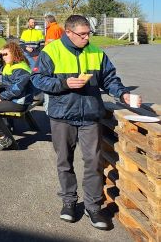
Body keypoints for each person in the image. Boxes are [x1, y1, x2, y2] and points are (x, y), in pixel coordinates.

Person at [31, 15, 139, 229]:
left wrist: (123, 94)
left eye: (88, 33)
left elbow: (109, 78)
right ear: (68, 33)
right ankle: (69, 202)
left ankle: (93, 207)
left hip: (90, 116)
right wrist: (64, 83)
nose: (86, 37)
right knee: (64, 162)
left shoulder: (96, 52)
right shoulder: (51, 52)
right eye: (82, 34)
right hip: (62, 115)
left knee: (93, 162)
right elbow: (38, 79)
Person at [0, 41, 34, 150]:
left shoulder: (21, 68)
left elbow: (17, 88)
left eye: (6, 54)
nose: (3, 57)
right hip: (14, 99)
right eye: (2, 55)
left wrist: (2, 96)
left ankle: (3, 137)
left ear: (15, 54)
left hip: (20, 102)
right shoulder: (10, 65)